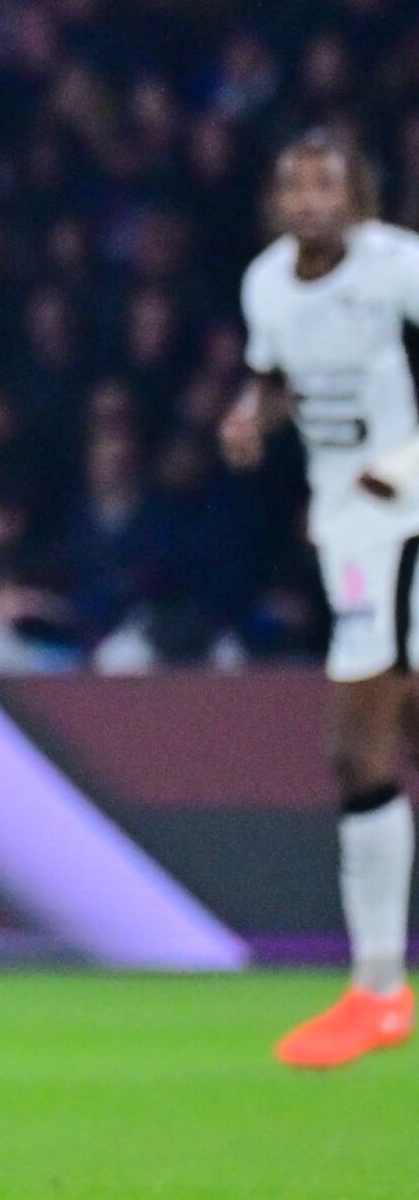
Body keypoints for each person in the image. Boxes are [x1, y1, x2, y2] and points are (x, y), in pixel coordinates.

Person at [221, 131, 419, 1067]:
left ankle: (377, 989)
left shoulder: (400, 271)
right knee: (396, 734)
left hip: (412, 519)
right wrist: (250, 418)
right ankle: (379, 988)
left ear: (360, 194)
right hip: (349, 530)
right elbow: (279, 379)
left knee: (355, 743)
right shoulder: (266, 284)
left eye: (326, 182)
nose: (308, 198)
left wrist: (402, 469)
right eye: (292, 183)